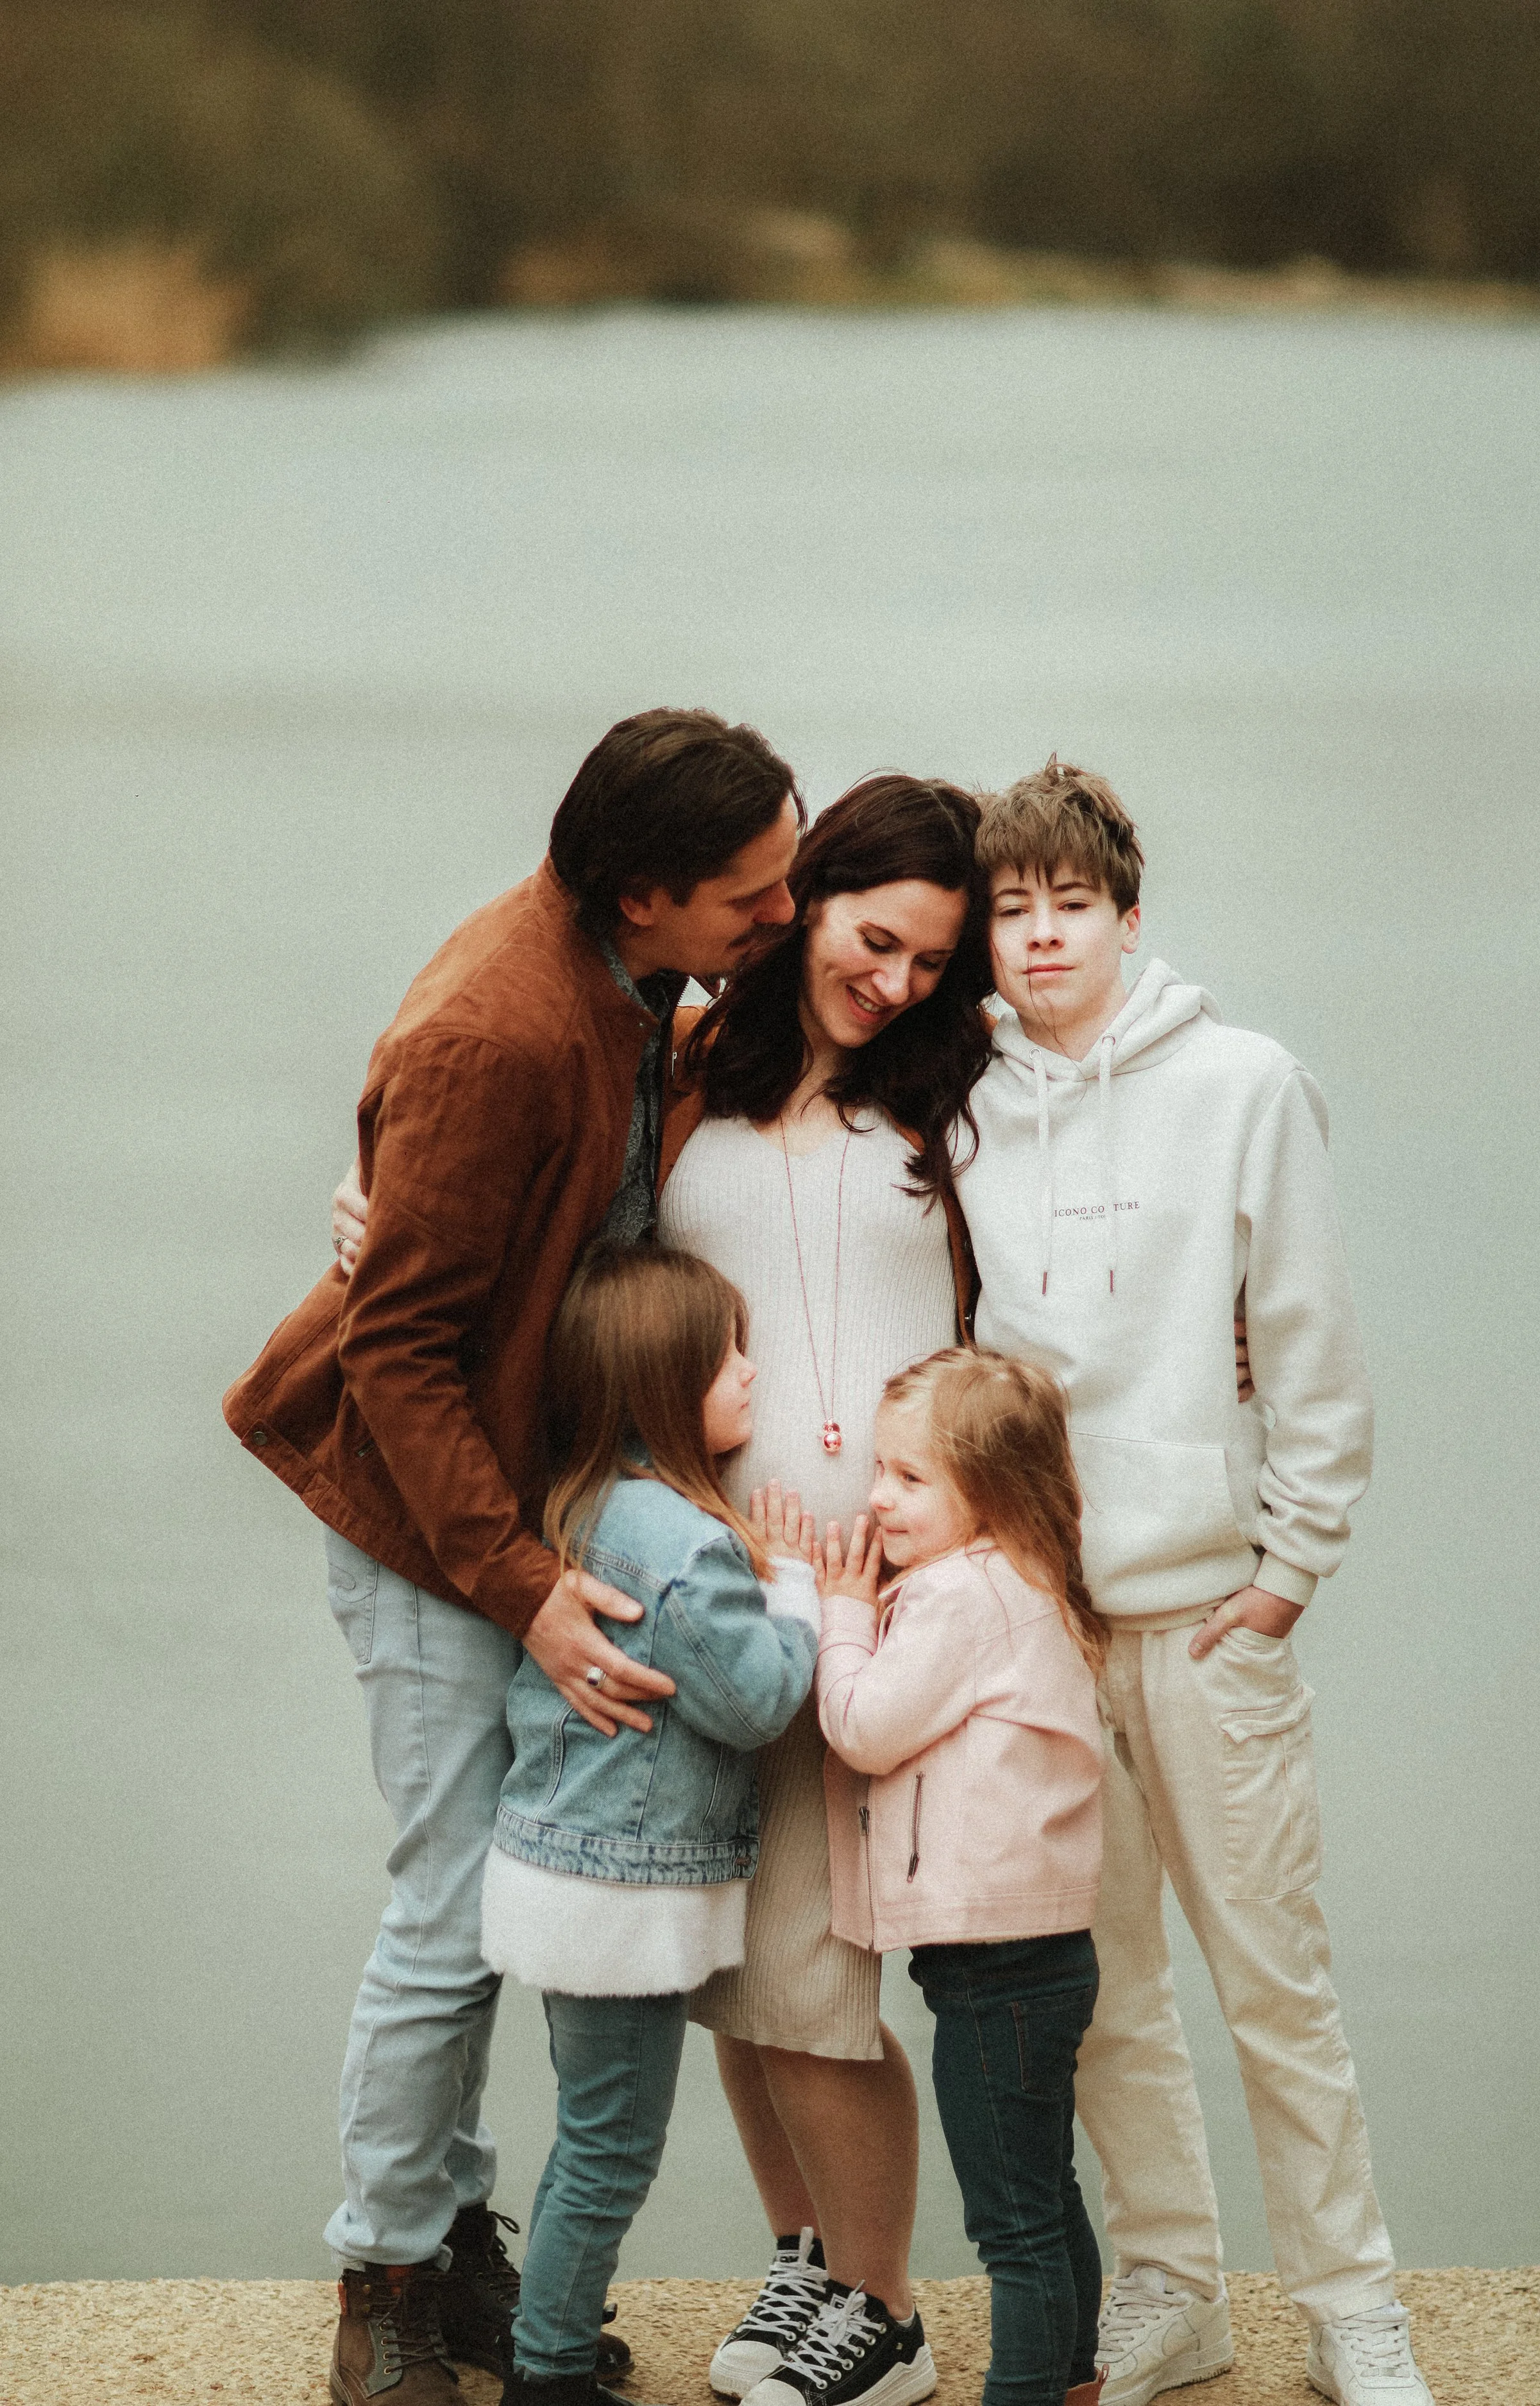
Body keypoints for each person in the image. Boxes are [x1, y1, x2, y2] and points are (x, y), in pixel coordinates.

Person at [224, 706, 802, 2405]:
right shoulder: (498, 1023)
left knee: (487, 1888)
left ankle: (458, 2238)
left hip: (523, 1491)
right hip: (427, 1517)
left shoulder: (632, 976)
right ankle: (388, 2271)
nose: (770, 924)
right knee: (446, 1908)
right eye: (748, 900)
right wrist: (528, 1590)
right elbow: (397, 1354)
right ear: (642, 893)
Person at [956, 760, 1434, 2406]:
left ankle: (1348, 2305)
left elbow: (1309, 1342)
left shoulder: (1241, 1083)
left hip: (1209, 1617)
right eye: (1008, 912)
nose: (1036, 939)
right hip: (1041, 1628)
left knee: (1273, 1989)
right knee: (1102, 2000)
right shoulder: (959, 1107)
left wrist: (1288, 1571)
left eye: (1067, 905)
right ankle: (1173, 2283)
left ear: (1127, 915)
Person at [656, 777, 992, 2406]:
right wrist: (370, 1212)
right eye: (876, 939)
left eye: (935, 959)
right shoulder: (681, 1080)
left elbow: (1063, 1284)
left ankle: (888, 2309)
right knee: (725, 1954)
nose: (900, 985)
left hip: (873, 1592)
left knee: (811, 1960)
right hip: (707, 1575)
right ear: (807, 899)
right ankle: (805, 2262)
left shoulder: (958, 1100)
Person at [479, 1243, 821, 2406]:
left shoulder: (583, 1507)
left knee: (592, 2131)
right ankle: (551, 2373)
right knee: (610, 2147)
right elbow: (759, 1699)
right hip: (622, 1894)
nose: (753, 1372)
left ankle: (548, 2344)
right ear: (664, 1379)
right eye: (730, 1353)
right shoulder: (687, 1545)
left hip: (564, 1870)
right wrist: (804, 1594)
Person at [805, 1348, 1109, 2406]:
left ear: (992, 1487)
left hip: (995, 1968)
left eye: (910, 1477)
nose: (878, 1497)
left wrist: (842, 1609)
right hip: (1042, 1953)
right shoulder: (1019, 1574)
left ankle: (1027, 2389)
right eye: (878, 1469)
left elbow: (864, 1726)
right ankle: (1073, 2379)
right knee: (1043, 2188)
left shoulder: (958, 1598)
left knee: (1011, 2222)